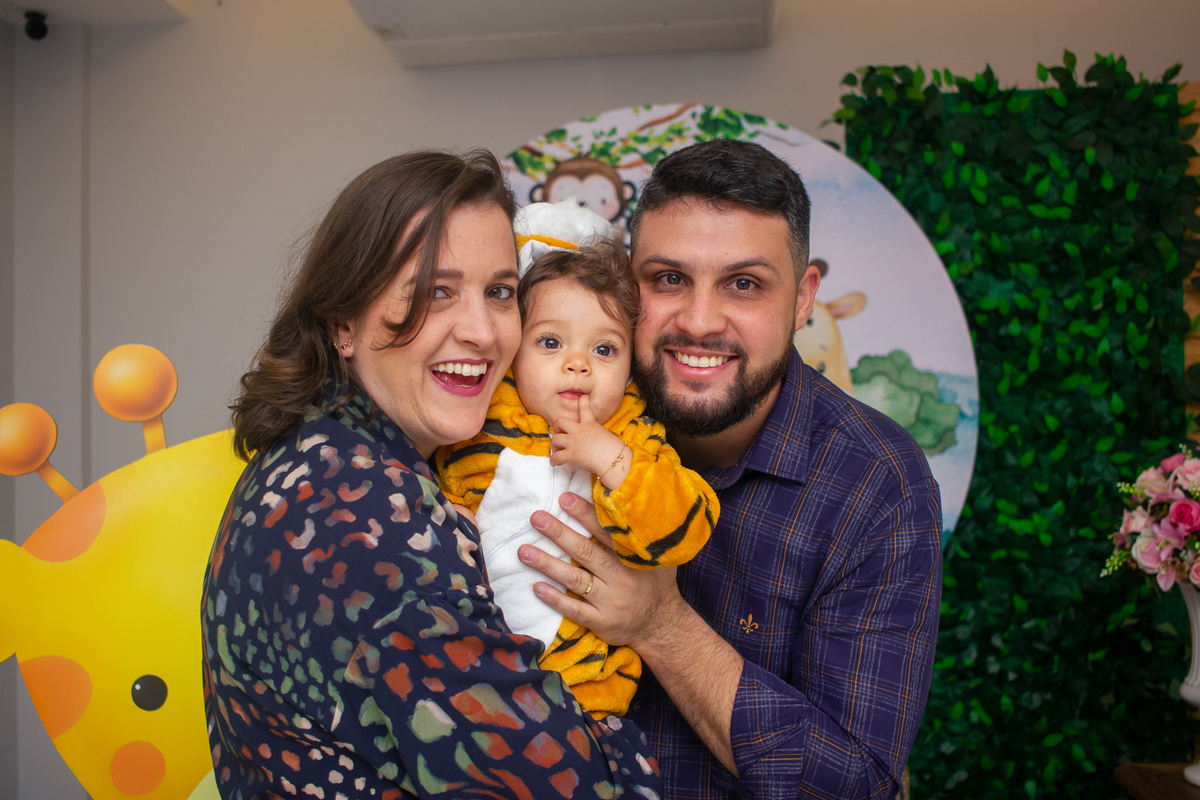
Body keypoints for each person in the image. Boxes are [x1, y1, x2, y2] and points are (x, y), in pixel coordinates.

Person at [200, 151, 662, 799]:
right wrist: (617, 730)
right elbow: (565, 786)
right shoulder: (361, 515)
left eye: (500, 292)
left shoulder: (326, 452)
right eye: (435, 292)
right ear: (343, 324)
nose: (481, 332)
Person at [516, 139, 943, 799]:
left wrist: (661, 625)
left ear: (803, 299)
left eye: (744, 284)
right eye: (668, 279)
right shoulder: (535, 408)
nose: (699, 322)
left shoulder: (875, 482)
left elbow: (853, 784)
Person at [436, 201, 718, 720]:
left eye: (605, 350)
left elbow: (688, 525)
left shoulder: (634, 436)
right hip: (474, 662)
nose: (578, 364)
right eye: (550, 342)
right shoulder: (481, 418)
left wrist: (610, 457)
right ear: (513, 348)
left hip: (583, 689)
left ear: (631, 364)